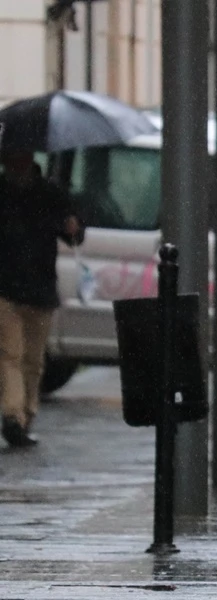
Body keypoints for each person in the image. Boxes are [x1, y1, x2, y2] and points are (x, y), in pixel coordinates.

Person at [0, 149, 84, 448]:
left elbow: (74, 233)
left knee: (33, 360)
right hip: (5, 288)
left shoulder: (50, 194)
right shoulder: (3, 191)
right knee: (10, 354)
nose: (12, 164)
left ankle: (24, 415)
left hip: (39, 289)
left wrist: (72, 228)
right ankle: (13, 417)